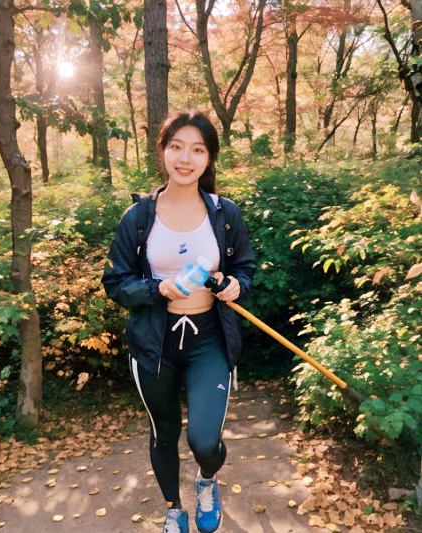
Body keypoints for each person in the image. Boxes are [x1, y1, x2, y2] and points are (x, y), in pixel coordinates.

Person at [102, 110, 256, 533]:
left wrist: (234, 284)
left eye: (197, 149)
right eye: (176, 147)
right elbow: (115, 283)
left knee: (205, 440)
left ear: (209, 158)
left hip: (210, 339)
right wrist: (159, 289)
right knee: (163, 431)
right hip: (155, 343)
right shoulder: (138, 217)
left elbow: (245, 268)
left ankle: (207, 480)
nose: (185, 158)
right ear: (163, 151)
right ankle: (174, 508)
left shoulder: (225, 214)